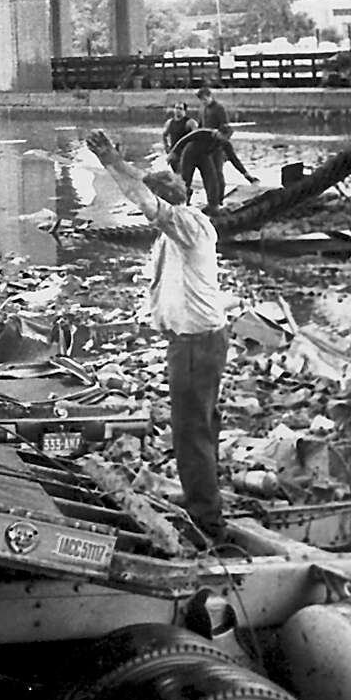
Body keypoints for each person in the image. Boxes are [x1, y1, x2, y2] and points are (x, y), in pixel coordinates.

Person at [85, 130, 228, 541]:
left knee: (190, 428)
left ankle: (207, 520)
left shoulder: (186, 225)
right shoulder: (178, 232)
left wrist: (111, 160)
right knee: (201, 424)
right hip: (194, 341)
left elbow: (143, 199)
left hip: (197, 344)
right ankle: (205, 496)